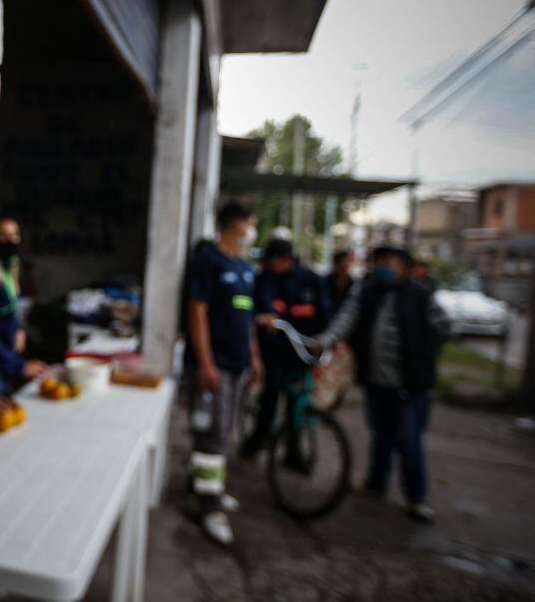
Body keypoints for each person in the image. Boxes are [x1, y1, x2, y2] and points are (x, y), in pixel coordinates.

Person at [314, 246, 451, 522]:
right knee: (380, 436)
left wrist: (425, 360)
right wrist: (324, 339)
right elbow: (347, 319)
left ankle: (417, 498)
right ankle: (376, 485)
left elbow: (445, 329)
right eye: (380, 262)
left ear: (405, 266)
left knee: (409, 442)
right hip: (377, 383)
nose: (384, 267)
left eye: (390, 262)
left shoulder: (421, 295)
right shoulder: (368, 291)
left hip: (410, 386)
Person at [184, 202, 263, 546]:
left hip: (237, 365)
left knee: (225, 430)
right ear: (236, 223)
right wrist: (205, 362)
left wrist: (255, 357)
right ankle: (210, 507)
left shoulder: (245, 268)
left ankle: (208, 483)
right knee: (212, 435)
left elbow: (247, 320)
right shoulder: (208, 262)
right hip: (213, 365)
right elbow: (197, 313)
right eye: (251, 222)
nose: (252, 228)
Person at [240, 238, 331, 464]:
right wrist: (266, 317)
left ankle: (293, 451)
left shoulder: (312, 280)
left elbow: (325, 314)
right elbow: (260, 304)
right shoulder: (266, 280)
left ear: (287, 260)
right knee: (270, 397)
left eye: (273, 261)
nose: (270, 266)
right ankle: (257, 440)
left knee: (296, 404)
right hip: (274, 353)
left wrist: (323, 339)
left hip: (301, 355)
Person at [0, 217, 50, 403]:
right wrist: (20, 366)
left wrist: (18, 328)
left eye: (14, 235)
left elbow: (11, 308)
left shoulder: (11, 268)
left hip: (8, 352)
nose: (10, 240)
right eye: (3, 235)